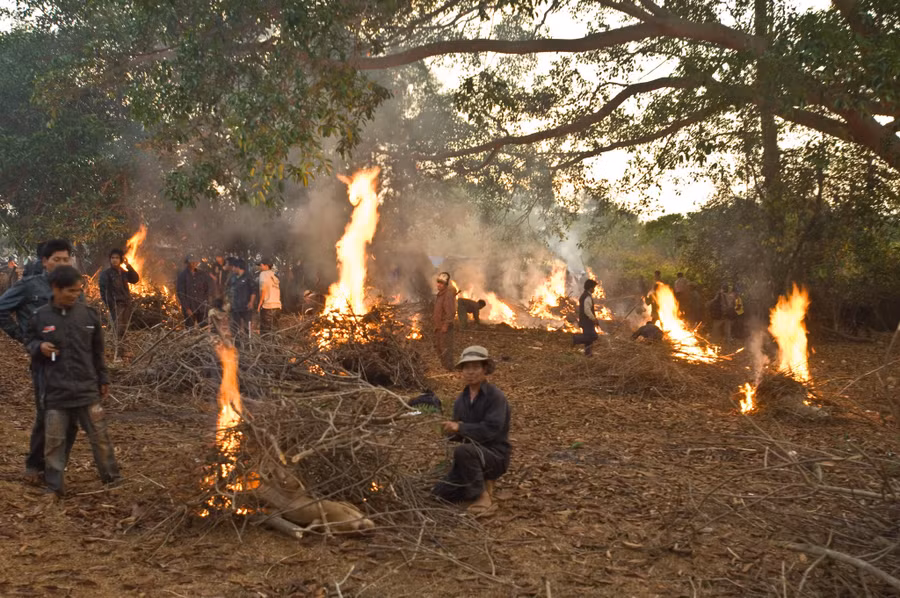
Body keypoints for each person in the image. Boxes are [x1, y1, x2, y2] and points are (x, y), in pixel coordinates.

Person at [26, 265, 121, 497]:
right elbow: (29, 341)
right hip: (56, 392)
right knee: (54, 442)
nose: (75, 295)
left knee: (100, 437)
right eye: (70, 291)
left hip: (87, 390)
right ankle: (54, 487)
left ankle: (113, 479)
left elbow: (98, 352)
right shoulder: (40, 317)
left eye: (78, 290)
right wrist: (39, 346)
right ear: (55, 289)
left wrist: (103, 378)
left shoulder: (89, 315)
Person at [0, 240, 78, 484]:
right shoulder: (28, 286)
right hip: (43, 361)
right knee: (47, 413)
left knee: (72, 418)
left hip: (71, 361)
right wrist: (23, 336)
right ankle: (34, 465)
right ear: (45, 261)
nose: (62, 264)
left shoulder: (74, 286)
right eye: (57, 259)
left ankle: (56, 468)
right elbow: (1, 308)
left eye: (66, 259)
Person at [433, 346, 511, 514]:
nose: (470, 372)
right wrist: (448, 431)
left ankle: (483, 497)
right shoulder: (461, 400)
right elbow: (458, 435)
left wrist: (460, 427)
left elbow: (491, 430)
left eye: (475, 367)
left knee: (463, 451)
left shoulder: (495, 396)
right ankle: (479, 484)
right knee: (440, 493)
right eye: (467, 368)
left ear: (485, 369)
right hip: (469, 458)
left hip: (495, 456)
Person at [98, 249, 140, 339]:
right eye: (112, 258)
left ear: (121, 259)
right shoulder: (106, 274)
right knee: (117, 329)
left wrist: (128, 265)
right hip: (116, 305)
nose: (114, 260)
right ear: (110, 259)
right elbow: (103, 292)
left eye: (117, 258)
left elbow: (135, 279)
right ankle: (117, 346)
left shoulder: (124, 273)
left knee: (124, 329)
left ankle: (123, 346)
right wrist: (111, 305)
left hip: (126, 304)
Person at [175, 255, 210, 328]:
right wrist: (187, 308)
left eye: (195, 261)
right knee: (190, 329)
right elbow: (180, 293)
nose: (194, 263)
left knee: (203, 328)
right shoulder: (182, 275)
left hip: (201, 307)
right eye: (192, 262)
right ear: (188, 263)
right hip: (190, 307)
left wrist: (205, 302)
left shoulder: (202, 274)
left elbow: (206, 289)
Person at [433, 272, 457, 370]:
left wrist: (445, 325)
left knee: (445, 348)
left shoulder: (447, 295)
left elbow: (451, 312)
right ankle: (445, 366)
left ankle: (449, 368)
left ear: (446, 284)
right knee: (439, 347)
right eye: (438, 282)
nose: (439, 284)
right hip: (439, 326)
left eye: (441, 283)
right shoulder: (440, 295)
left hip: (445, 327)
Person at [573, 279, 600, 356]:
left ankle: (588, 353)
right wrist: (594, 319)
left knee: (588, 338)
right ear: (590, 288)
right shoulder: (587, 297)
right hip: (587, 321)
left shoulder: (584, 295)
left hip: (584, 320)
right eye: (593, 288)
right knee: (593, 336)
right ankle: (575, 339)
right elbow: (587, 310)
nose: (594, 289)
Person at [230, 259, 257, 335]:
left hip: (246, 306)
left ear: (238, 267)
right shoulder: (233, 278)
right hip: (235, 307)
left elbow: (253, 291)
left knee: (247, 327)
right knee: (235, 328)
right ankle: (237, 342)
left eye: (233, 267)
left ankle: (248, 341)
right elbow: (230, 290)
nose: (232, 269)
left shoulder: (248, 277)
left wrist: (251, 302)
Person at [257, 258, 282, 333]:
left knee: (266, 333)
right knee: (275, 332)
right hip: (277, 307)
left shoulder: (263, 274)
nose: (260, 267)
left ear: (266, 266)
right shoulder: (274, 275)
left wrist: (260, 304)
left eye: (261, 265)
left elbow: (263, 289)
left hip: (268, 307)